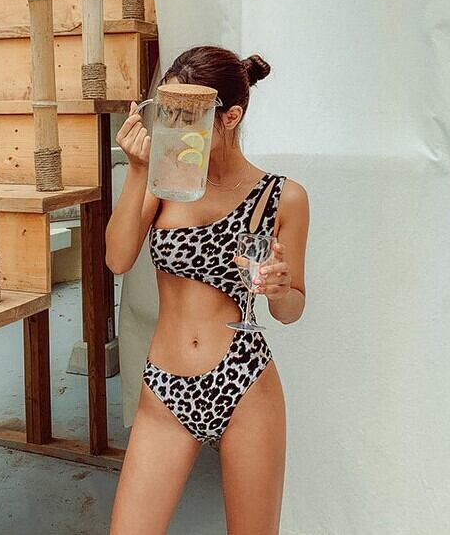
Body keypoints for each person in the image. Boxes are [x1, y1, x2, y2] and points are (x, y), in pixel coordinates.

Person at [106, 45, 309, 534]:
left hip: (245, 382)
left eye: (189, 113)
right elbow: (117, 258)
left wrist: (279, 288)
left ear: (230, 117)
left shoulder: (283, 197)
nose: (173, 126)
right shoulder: (166, 180)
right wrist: (137, 170)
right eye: (168, 110)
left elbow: (290, 309)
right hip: (166, 387)